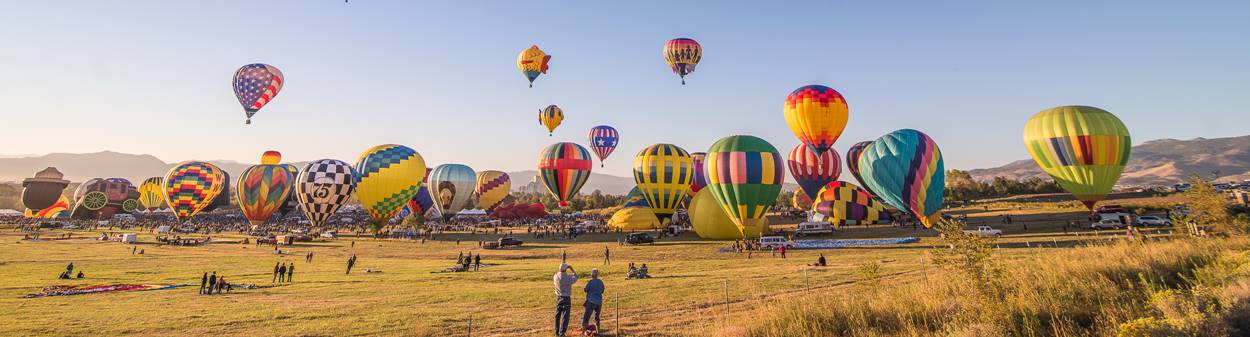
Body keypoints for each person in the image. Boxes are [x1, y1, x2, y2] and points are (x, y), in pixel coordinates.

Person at [553, 263, 579, 337]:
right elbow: (576, 277)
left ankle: (557, 331)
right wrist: (572, 269)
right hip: (566, 298)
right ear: (566, 269)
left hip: (558, 297)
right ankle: (562, 332)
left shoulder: (555, 276)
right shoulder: (567, 277)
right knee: (565, 316)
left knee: (557, 315)